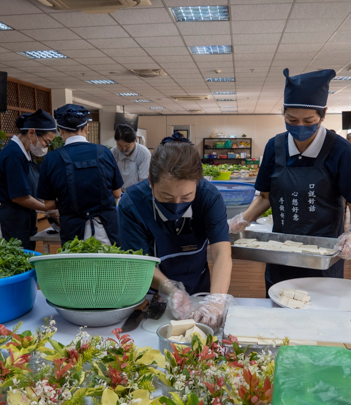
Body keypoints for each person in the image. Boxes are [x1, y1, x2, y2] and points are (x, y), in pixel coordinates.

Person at [228, 68, 351, 293]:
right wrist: (241, 221)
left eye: (308, 120)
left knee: (320, 307)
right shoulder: (274, 147)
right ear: (283, 113)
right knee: (278, 299)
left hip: (324, 253)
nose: (300, 126)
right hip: (281, 249)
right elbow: (265, 196)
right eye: (291, 119)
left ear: (322, 114)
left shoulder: (340, 151)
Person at [118, 133, 233, 328]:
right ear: (150, 182)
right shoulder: (132, 204)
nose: (177, 204)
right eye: (167, 197)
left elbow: (222, 252)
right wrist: (171, 290)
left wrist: (216, 300)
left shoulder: (209, 197)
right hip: (149, 295)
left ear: (197, 184)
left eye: (187, 196)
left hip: (199, 288)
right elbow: (139, 263)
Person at [38, 104, 124, 245]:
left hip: (73, 234)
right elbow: (117, 194)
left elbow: (50, 204)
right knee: (110, 266)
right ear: (87, 128)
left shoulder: (51, 158)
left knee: (77, 267)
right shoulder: (104, 152)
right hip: (107, 232)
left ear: (60, 130)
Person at [0, 109, 57, 250]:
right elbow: (20, 197)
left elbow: (27, 189)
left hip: (17, 217)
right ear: (31, 133)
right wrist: (48, 208)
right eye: (46, 142)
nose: (46, 147)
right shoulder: (14, 155)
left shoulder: (25, 154)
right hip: (4, 218)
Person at [111, 123, 151, 192]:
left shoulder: (144, 154)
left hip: (136, 193)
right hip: (118, 192)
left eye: (127, 146)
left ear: (135, 140)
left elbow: (142, 182)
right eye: (119, 145)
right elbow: (111, 177)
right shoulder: (113, 152)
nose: (123, 149)